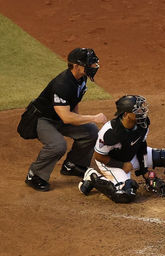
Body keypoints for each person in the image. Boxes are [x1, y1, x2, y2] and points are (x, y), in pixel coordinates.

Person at [78, 95, 165, 203]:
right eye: (137, 110)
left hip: (131, 155)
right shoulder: (110, 132)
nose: (142, 112)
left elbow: (141, 146)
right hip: (111, 163)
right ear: (126, 114)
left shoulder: (142, 123)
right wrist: (122, 165)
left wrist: (145, 172)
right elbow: (99, 157)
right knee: (127, 194)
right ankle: (93, 177)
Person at [25, 48, 108, 191]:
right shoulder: (62, 84)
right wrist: (93, 117)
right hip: (42, 119)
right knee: (58, 145)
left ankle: (73, 165)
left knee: (90, 131)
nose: (93, 66)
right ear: (76, 66)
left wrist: (81, 122)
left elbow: (73, 103)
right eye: (88, 63)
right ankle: (35, 175)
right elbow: (66, 117)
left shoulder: (81, 78)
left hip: (59, 118)